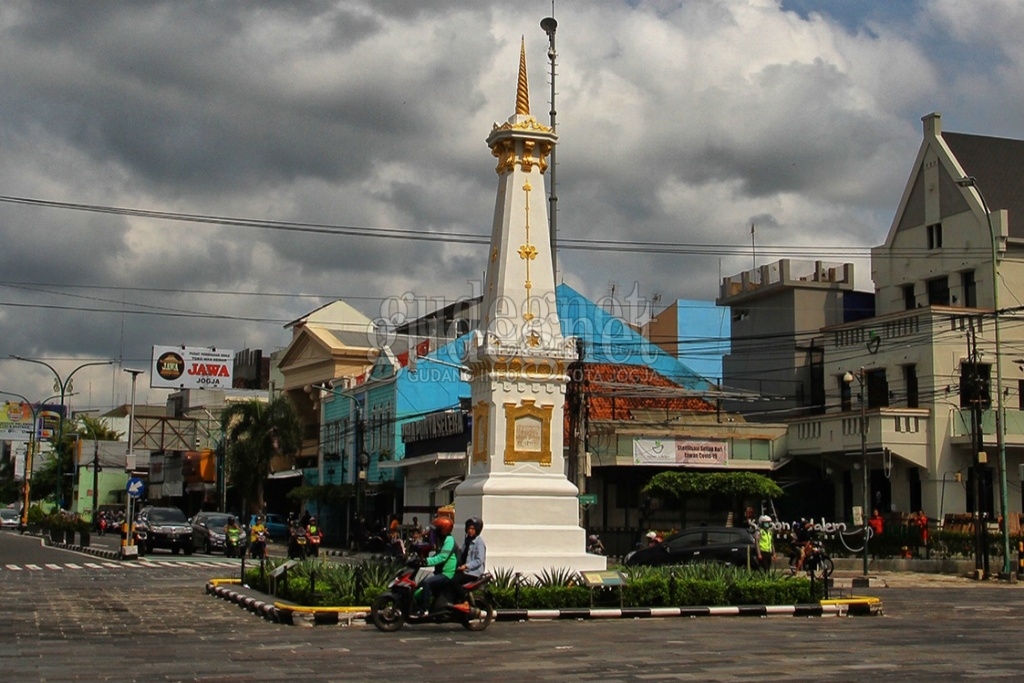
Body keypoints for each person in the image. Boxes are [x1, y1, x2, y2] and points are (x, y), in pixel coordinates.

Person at [417, 516, 458, 616]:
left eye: (436, 530)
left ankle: (424, 610)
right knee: (421, 584)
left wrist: (426, 562)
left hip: (447, 574)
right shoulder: (441, 540)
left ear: (443, 530)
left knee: (427, 582)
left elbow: (442, 557)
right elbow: (437, 555)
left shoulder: (449, 540)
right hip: (440, 572)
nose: (434, 532)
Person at [453, 517, 486, 605]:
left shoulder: (479, 542)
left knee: (454, 581)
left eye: (472, 529)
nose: (470, 530)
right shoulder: (467, 541)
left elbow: (479, 560)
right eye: (468, 528)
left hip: (472, 573)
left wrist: (466, 566)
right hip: (463, 571)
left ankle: (464, 602)